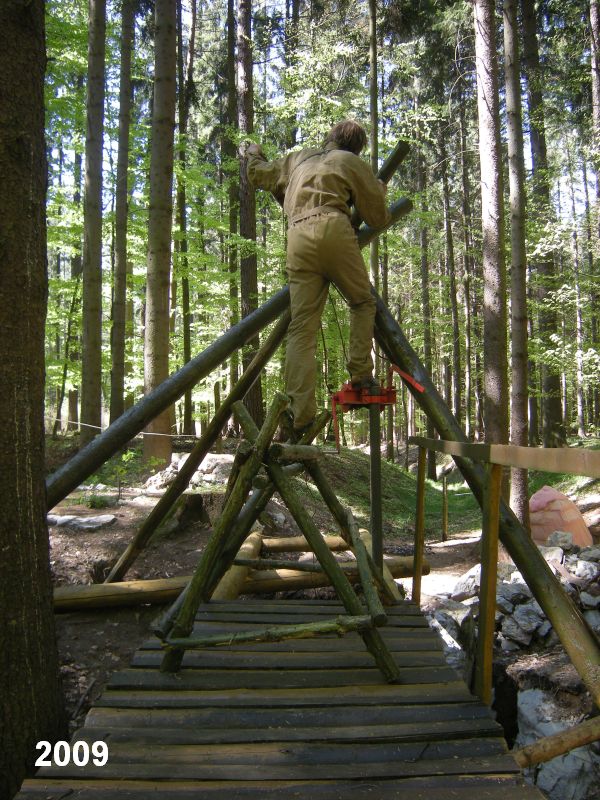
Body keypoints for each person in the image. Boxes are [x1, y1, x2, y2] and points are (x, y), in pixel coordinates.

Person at [246, 120, 391, 436]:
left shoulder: (298, 158)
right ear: (356, 147)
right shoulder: (351, 162)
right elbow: (377, 218)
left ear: (330, 138)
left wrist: (253, 153)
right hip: (333, 229)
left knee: (302, 328)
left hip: (297, 236)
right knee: (363, 301)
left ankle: (299, 413)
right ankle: (361, 375)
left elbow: (259, 174)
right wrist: (378, 189)